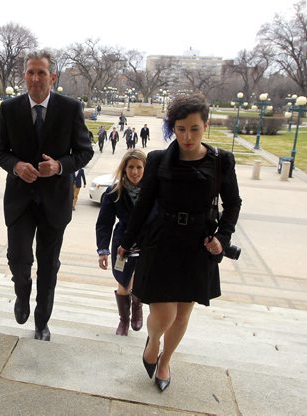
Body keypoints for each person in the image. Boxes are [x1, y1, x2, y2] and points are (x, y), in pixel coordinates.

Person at [118, 93, 241, 392]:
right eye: (181, 129)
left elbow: (233, 204)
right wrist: (126, 242)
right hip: (162, 242)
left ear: (205, 126)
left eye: (194, 129)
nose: (187, 136)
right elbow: (144, 205)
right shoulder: (159, 160)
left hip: (198, 245)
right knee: (163, 315)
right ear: (173, 127)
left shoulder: (221, 161)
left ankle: (164, 361)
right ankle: (153, 344)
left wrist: (222, 240)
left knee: (183, 313)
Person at [0, 50, 93, 341]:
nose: (36, 78)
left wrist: (60, 166)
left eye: (41, 73)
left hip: (54, 204)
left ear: (53, 77)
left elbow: (85, 152)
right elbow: (0, 151)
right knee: (19, 260)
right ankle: (21, 294)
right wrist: (16, 166)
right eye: (31, 72)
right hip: (20, 201)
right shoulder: (9, 108)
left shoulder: (70, 108)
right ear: (25, 76)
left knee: (48, 268)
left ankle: (41, 322)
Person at [96, 149, 146, 336]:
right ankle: (124, 320)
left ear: (145, 168)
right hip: (122, 244)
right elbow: (104, 223)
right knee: (124, 283)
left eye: (139, 167)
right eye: (131, 167)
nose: (135, 172)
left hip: (146, 242)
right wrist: (102, 250)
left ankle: (137, 307)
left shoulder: (152, 192)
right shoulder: (114, 192)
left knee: (139, 280)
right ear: (124, 169)